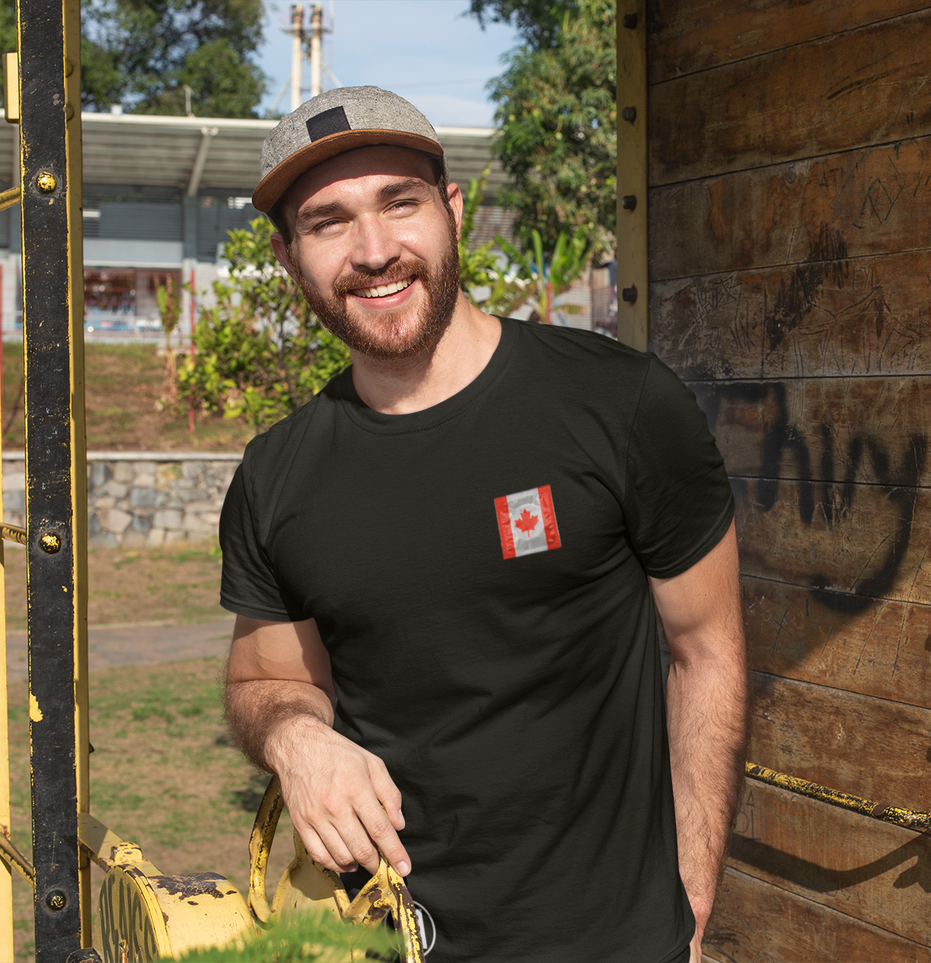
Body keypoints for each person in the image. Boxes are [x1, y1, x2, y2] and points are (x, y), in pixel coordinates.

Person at [220, 86, 748, 963]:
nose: (375, 250)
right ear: (288, 256)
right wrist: (293, 736)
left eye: (400, 202)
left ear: (451, 208)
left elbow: (708, 651)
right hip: (384, 942)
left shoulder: (619, 404)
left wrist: (687, 915)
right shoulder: (277, 475)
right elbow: (262, 680)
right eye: (328, 222)